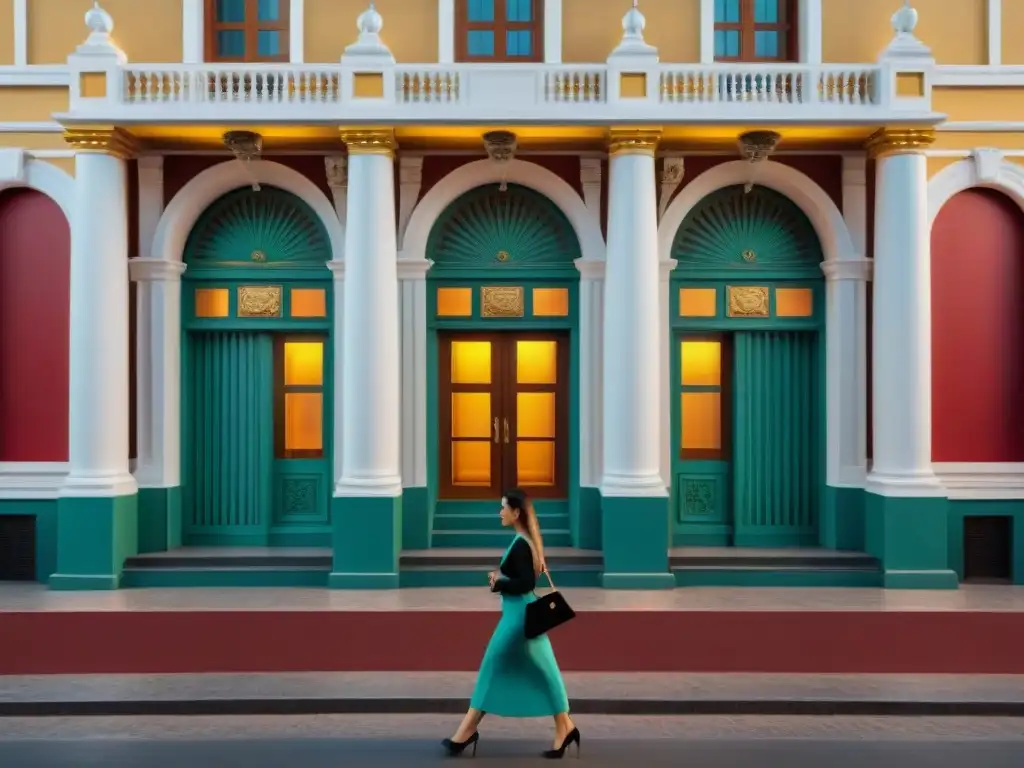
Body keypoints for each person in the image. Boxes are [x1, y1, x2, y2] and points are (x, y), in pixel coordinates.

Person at [441, 488, 580, 760]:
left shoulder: (520, 544)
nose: (500, 512)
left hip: (518, 619)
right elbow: (526, 578)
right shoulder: (527, 541)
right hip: (522, 615)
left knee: (492, 666)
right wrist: (502, 580)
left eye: (504, 507)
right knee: (545, 670)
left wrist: (499, 583)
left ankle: (466, 732)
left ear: (516, 512)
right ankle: (566, 727)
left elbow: (527, 583)